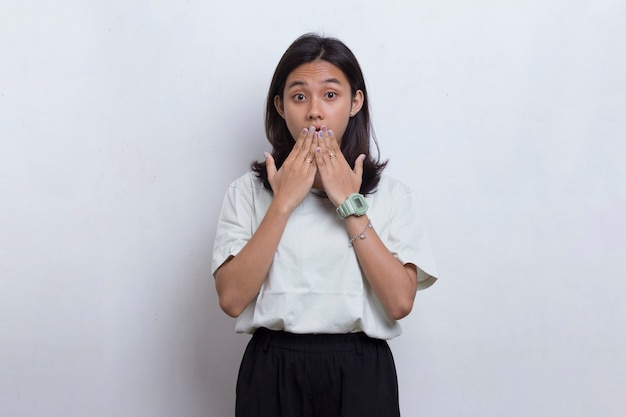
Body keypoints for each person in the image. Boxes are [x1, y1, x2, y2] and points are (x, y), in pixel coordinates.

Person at [212, 33, 438, 417]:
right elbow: (231, 299)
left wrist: (349, 204)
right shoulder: (246, 192)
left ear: (355, 102)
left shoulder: (394, 195)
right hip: (273, 369)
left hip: (361, 371)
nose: (315, 111)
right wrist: (283, 201)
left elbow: (400, 302)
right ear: (281, 106)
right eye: (300, 96)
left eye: (330, 95)